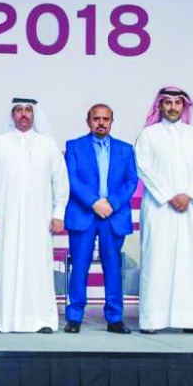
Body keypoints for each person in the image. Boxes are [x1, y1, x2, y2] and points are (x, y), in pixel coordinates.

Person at [0, 98, 68, 333]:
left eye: (28, 110)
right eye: (18, 110)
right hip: (4, 221)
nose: (23, 115)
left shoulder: (47, 145)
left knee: (38, 269)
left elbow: (61, 183)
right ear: (12, 114)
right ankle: (3, 321)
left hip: (39, 221)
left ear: (34, 114)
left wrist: (58, 214)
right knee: (4, 267)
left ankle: (41, 320)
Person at [134, 86, 193, 334]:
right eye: (167, 102)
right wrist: (170, 195)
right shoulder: (148, 135)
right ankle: (153, 320)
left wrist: (188, 194)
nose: (172, 107)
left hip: (190, 208)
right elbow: (144, 168)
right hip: (159, 209)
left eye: (177, 103)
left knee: (192, 261)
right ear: (159, 106)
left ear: (184, 106)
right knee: (158, 260)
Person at [62, 103, 137, 334]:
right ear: (88, 121)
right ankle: (75, 316)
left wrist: (111, 203)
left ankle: (115, 318)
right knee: (80, 267)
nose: (101, 123)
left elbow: (131, 181)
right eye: (96, 119)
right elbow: (71, 179)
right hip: (84, 212)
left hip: (112, 215)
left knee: (113, 267)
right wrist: (94, 202)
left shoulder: (125, 149)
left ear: (112, 121)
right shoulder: (74, 146)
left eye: (106, 119)